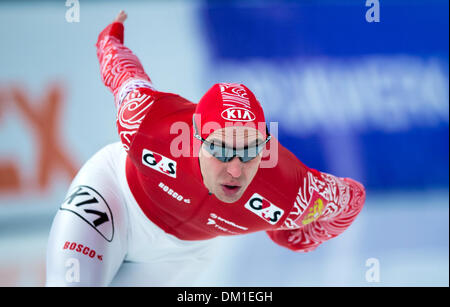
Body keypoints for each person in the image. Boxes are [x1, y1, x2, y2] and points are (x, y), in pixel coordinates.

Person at [45, 11, 366, 286]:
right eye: (222, 151)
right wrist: (110, 35)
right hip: (115, 198)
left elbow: (351, 199)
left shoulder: (292, 192)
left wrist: (294, 237)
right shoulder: (146, 122)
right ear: (193, 139)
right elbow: (122, 71)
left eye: (251, 152)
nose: (236, 170)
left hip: (179, 255)